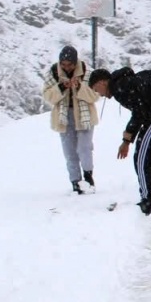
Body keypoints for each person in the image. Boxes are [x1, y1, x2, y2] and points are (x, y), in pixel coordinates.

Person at [101, 67, 151, 215]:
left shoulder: (120, 87)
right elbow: (140, 109)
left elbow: (138, 113)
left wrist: (126, 141)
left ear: (102, 82)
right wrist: (127, 139)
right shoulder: (125, 82)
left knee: (141, 159)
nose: (99, 94)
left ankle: (147, 200)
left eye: (96, 89)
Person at [41, 45, 101, 194]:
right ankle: (75, 182)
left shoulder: (87, 72)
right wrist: (61, 87)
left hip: (85, 115)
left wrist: (79, 87)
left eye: (70, 65)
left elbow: (95, 95)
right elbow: (47, 96)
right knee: (70, 152)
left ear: (75, 62)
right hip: (64, 116)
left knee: (84, 148)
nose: (66, 68)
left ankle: (88, 177)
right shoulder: (53, 73)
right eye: (64, 64)